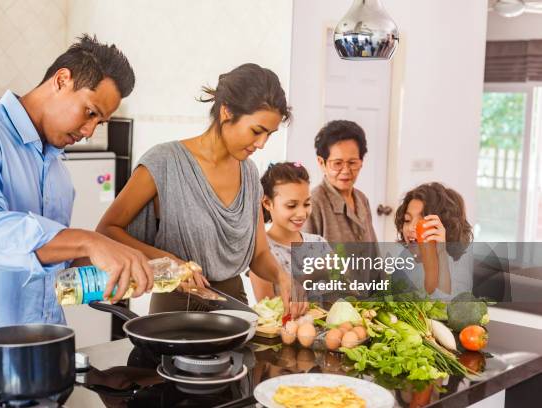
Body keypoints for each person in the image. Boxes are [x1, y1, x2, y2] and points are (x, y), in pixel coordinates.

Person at [0, 35, 153, 380]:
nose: (90, 129)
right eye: (90, 112)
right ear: (62, 80)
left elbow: (50, 260)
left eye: (101, 122)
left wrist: (120, 266)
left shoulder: (59, 173)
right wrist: (90, 242)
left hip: (41, 361)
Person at [96, 63, 307, 317]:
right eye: (256, 131)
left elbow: (258, 253)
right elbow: (107, 230)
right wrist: (168, 261)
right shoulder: (165, 162)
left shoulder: (249, 173)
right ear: (227, 112)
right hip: (176, 308)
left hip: (234, 309)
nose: (261, 144)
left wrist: (281, 277)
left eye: (269, 135)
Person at [249, 162, 332, 302]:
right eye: (291, 205)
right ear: (267, 203)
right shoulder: (262, 255)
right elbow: (268, 314)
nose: (301, 213)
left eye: (306, 204)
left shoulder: (319, 243)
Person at [392, 182, 474, 299]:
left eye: (421, 221)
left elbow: (446, 309)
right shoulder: (405, 258)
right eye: (407, 220)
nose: (410, 228)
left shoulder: (460, 267)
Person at [303, 120, 377, 245]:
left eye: (352, 162)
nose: (346, 171)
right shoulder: (313, 203)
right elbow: (305, 260)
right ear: (322, 163)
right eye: (337, 163)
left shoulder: (362, 199)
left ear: (361, 162)